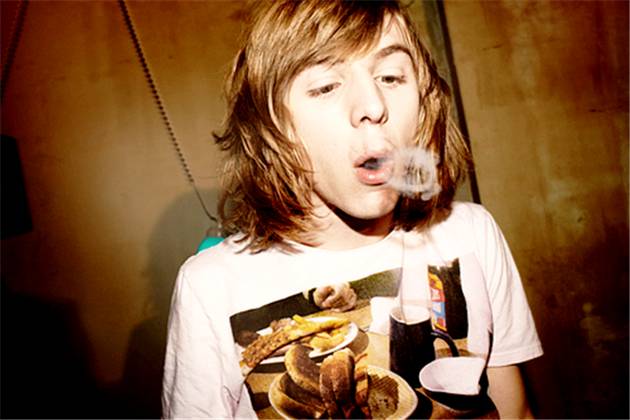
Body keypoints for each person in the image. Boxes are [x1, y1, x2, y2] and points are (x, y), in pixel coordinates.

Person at [161, 1, 543, 418]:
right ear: (273, 125)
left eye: (391, 76)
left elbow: (514, 409)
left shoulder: (470, 233)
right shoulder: (210, 286)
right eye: (326, 86)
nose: (374, 105)